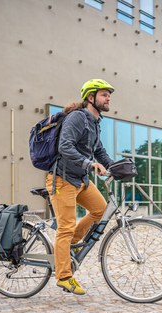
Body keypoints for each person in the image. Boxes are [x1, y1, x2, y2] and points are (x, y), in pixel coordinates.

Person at [46, 79, 115, 295]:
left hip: (81, 180)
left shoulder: (94, 122)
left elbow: (100, 152)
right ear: (91, 98)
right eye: (104, 94)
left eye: (108, 95)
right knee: (65, 227)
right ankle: (64, 277)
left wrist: (116, 166)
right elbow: (64, 146)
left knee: (100, 210)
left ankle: (68, 247)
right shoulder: (77, 117)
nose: (108, 98)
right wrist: (88, 164)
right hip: (62, 179)